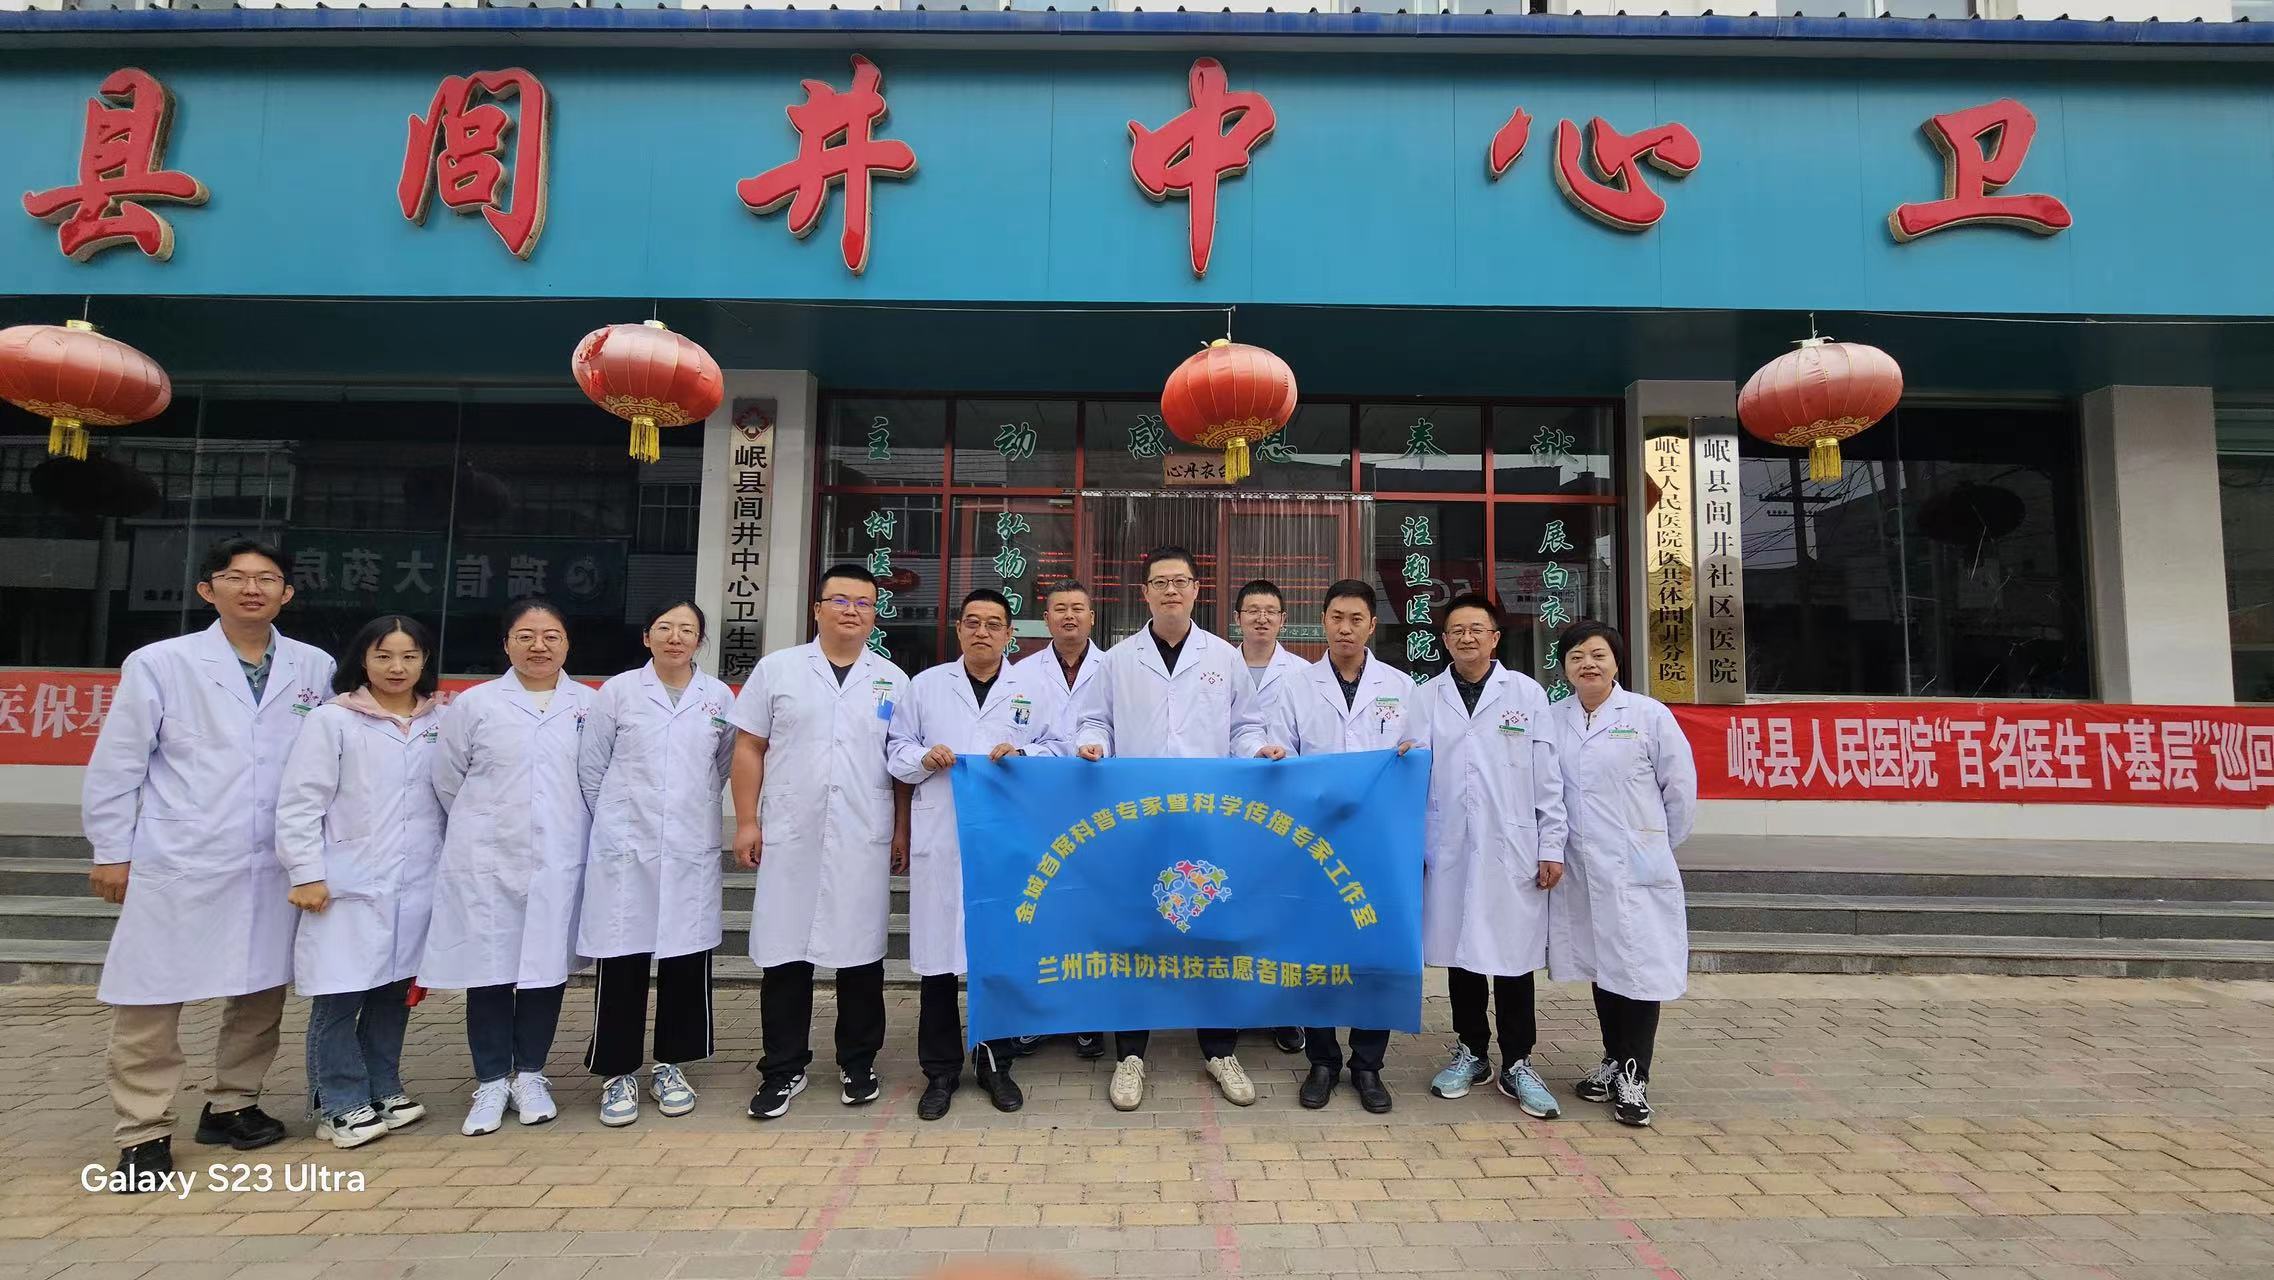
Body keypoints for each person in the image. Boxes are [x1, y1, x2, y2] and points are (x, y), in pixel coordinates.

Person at [82, 538, 335, 1189]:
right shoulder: (160, 663)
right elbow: (119, 762)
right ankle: (143, 1129)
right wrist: (111, 850)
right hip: (181, 854)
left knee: (260, 989)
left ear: (286, 593)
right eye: (235, 577)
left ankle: (233, 1103)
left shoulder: (314, 666)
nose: (252, 589)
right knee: (149, 996)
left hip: (272, 859)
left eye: (267, 578)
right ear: (207, 589)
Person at [1073, 545, 1285, 1111]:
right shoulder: (1119, 659)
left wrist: (1257, 750)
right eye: (1160, 582)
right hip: (1138, 819)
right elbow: (1094, 720)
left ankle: (1220, 1050)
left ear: (1196, 590)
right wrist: (1091, 745)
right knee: (1137, 931)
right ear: (1144, 592)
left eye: (1181, 581)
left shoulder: (1223, 657)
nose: (1171, 590)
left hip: (1206, 817)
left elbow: (1245, 726)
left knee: (1213, 928)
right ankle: (1130, 1056)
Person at [730, 564, 912, 1121]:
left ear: (874, 614)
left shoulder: (892, 680)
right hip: (792, 833)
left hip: (862, 834)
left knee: (862, 957)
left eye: (863, 603)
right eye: (840, 600)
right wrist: (746, 821)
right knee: (786, 956)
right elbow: (749, 747)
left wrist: (901, 830)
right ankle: (783, 1068)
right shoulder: (778, 669)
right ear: (817, 609)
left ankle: (859, 1062)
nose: (851, 611)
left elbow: (901, 764)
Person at [422, 598, 595, 1137]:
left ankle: (532, 1075)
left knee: (545, 969)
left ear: (567, 644)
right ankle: (492, 1080)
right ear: (506, 644)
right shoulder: (475, 705)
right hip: (488, 859)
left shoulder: (589, 705)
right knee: (490, 971)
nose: (539, 646)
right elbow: (448, 780)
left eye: (551, 636)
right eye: (526, 636)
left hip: (561, 856)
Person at [274, 614, 446, 1150]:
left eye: (409, 656)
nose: (397, 668)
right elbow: (301, 801)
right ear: (362, 660)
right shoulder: (334, 720)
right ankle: (338, 1101)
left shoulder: (440, 719)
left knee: (394, 992)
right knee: (339, 994)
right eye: (383, 656)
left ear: (425, 660)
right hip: (346, 881)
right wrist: (306, 873)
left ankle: (383, 1086)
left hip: (415, 881)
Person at [887, 588, 1058, 1120]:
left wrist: (1023, 753)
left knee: (996, 956)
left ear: (1010, 634)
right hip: (942, 837)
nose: (983, 632)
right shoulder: (926, 686)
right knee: (939, 961)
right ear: (958, 629)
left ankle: (995, 1064)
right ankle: (940, 1072)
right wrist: (924, 757)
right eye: (973, 622)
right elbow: (896, 750)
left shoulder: (1032, 689)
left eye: (994, 624)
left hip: (1006, 843)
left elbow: (1061, 748)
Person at [1262, 580, 1422, 1114]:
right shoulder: (1296, 687)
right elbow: (1282, 757)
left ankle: (1368, 1065)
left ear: (1372, 625)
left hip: (1378, 844)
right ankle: (1323, 1060)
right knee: (1318, 949)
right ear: (1323, 621)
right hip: (1315, 843)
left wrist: (1410, 754)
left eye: (1356, 619)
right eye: (1336, 617)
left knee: (1374, 948)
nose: (1345, 628)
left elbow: (1418, 758)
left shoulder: (1400, 687)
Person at [577, 602, 736, 1128]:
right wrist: (620, 819)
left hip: (690, 845)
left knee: (686, 959)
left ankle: (672, 1065)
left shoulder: (717, 697)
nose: (675, 637)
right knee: (622, 960)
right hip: (627, 846)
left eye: (687, 629)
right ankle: (617, 1071)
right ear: (647, 637)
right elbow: (592, 768)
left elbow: (721, 766)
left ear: (700, 640)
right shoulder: (619, 692)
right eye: (665, 628)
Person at [1417, 594, 1571, 1119]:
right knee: (1462, 954)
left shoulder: (1525, 693)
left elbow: (1548, 777)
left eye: (1476, 629)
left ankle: (1519, 1061)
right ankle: (1471, 1052)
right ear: (1444, 640)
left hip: (1512, 847)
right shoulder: (1426, 696)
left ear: (1495, 638)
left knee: (1512, 958)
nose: (1467, 638)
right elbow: (1413, 772)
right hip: (1450, 845)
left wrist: (1551, 844)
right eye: (1457, 630)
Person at [1549, 620, 1696, 1129]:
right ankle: (1613, 1059)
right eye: (1576, 657)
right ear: (1564, 668)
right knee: (1604, 964)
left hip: (1636, 864)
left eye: (1598, 655)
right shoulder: (1554, 719)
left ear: (1616, 661)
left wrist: (1653, 845)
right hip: (1582, 867)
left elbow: (1680, 791)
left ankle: (1635, 1077)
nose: (1587, 664)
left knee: (1639, 969)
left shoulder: (1649, 716)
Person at [1014, 578, 1108, 1061]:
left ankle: (1087, 1016)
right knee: (1043, 909)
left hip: (1100, 810)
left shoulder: (1114, 668)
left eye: (1078, 608)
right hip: (1041, 808)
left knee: (1090, 911)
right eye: (1060, 609)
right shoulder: (1020, 674)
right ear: (1046, 618)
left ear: (1092, 617)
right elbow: (1010, 738)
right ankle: (1036, 1014)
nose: (1069, 616)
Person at [1231, 578, 1314, 1057]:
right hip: (1231, 811)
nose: (1261, 618)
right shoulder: (1218, 666)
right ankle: (1238, 1006)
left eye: (1270, 611)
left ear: (1283, 620)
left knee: (1282, 910)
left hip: (1284, 814)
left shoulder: (1303, 674)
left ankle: (1286, 1010)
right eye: (1252, 610)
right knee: (1237, 906)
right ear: (1238, 618)